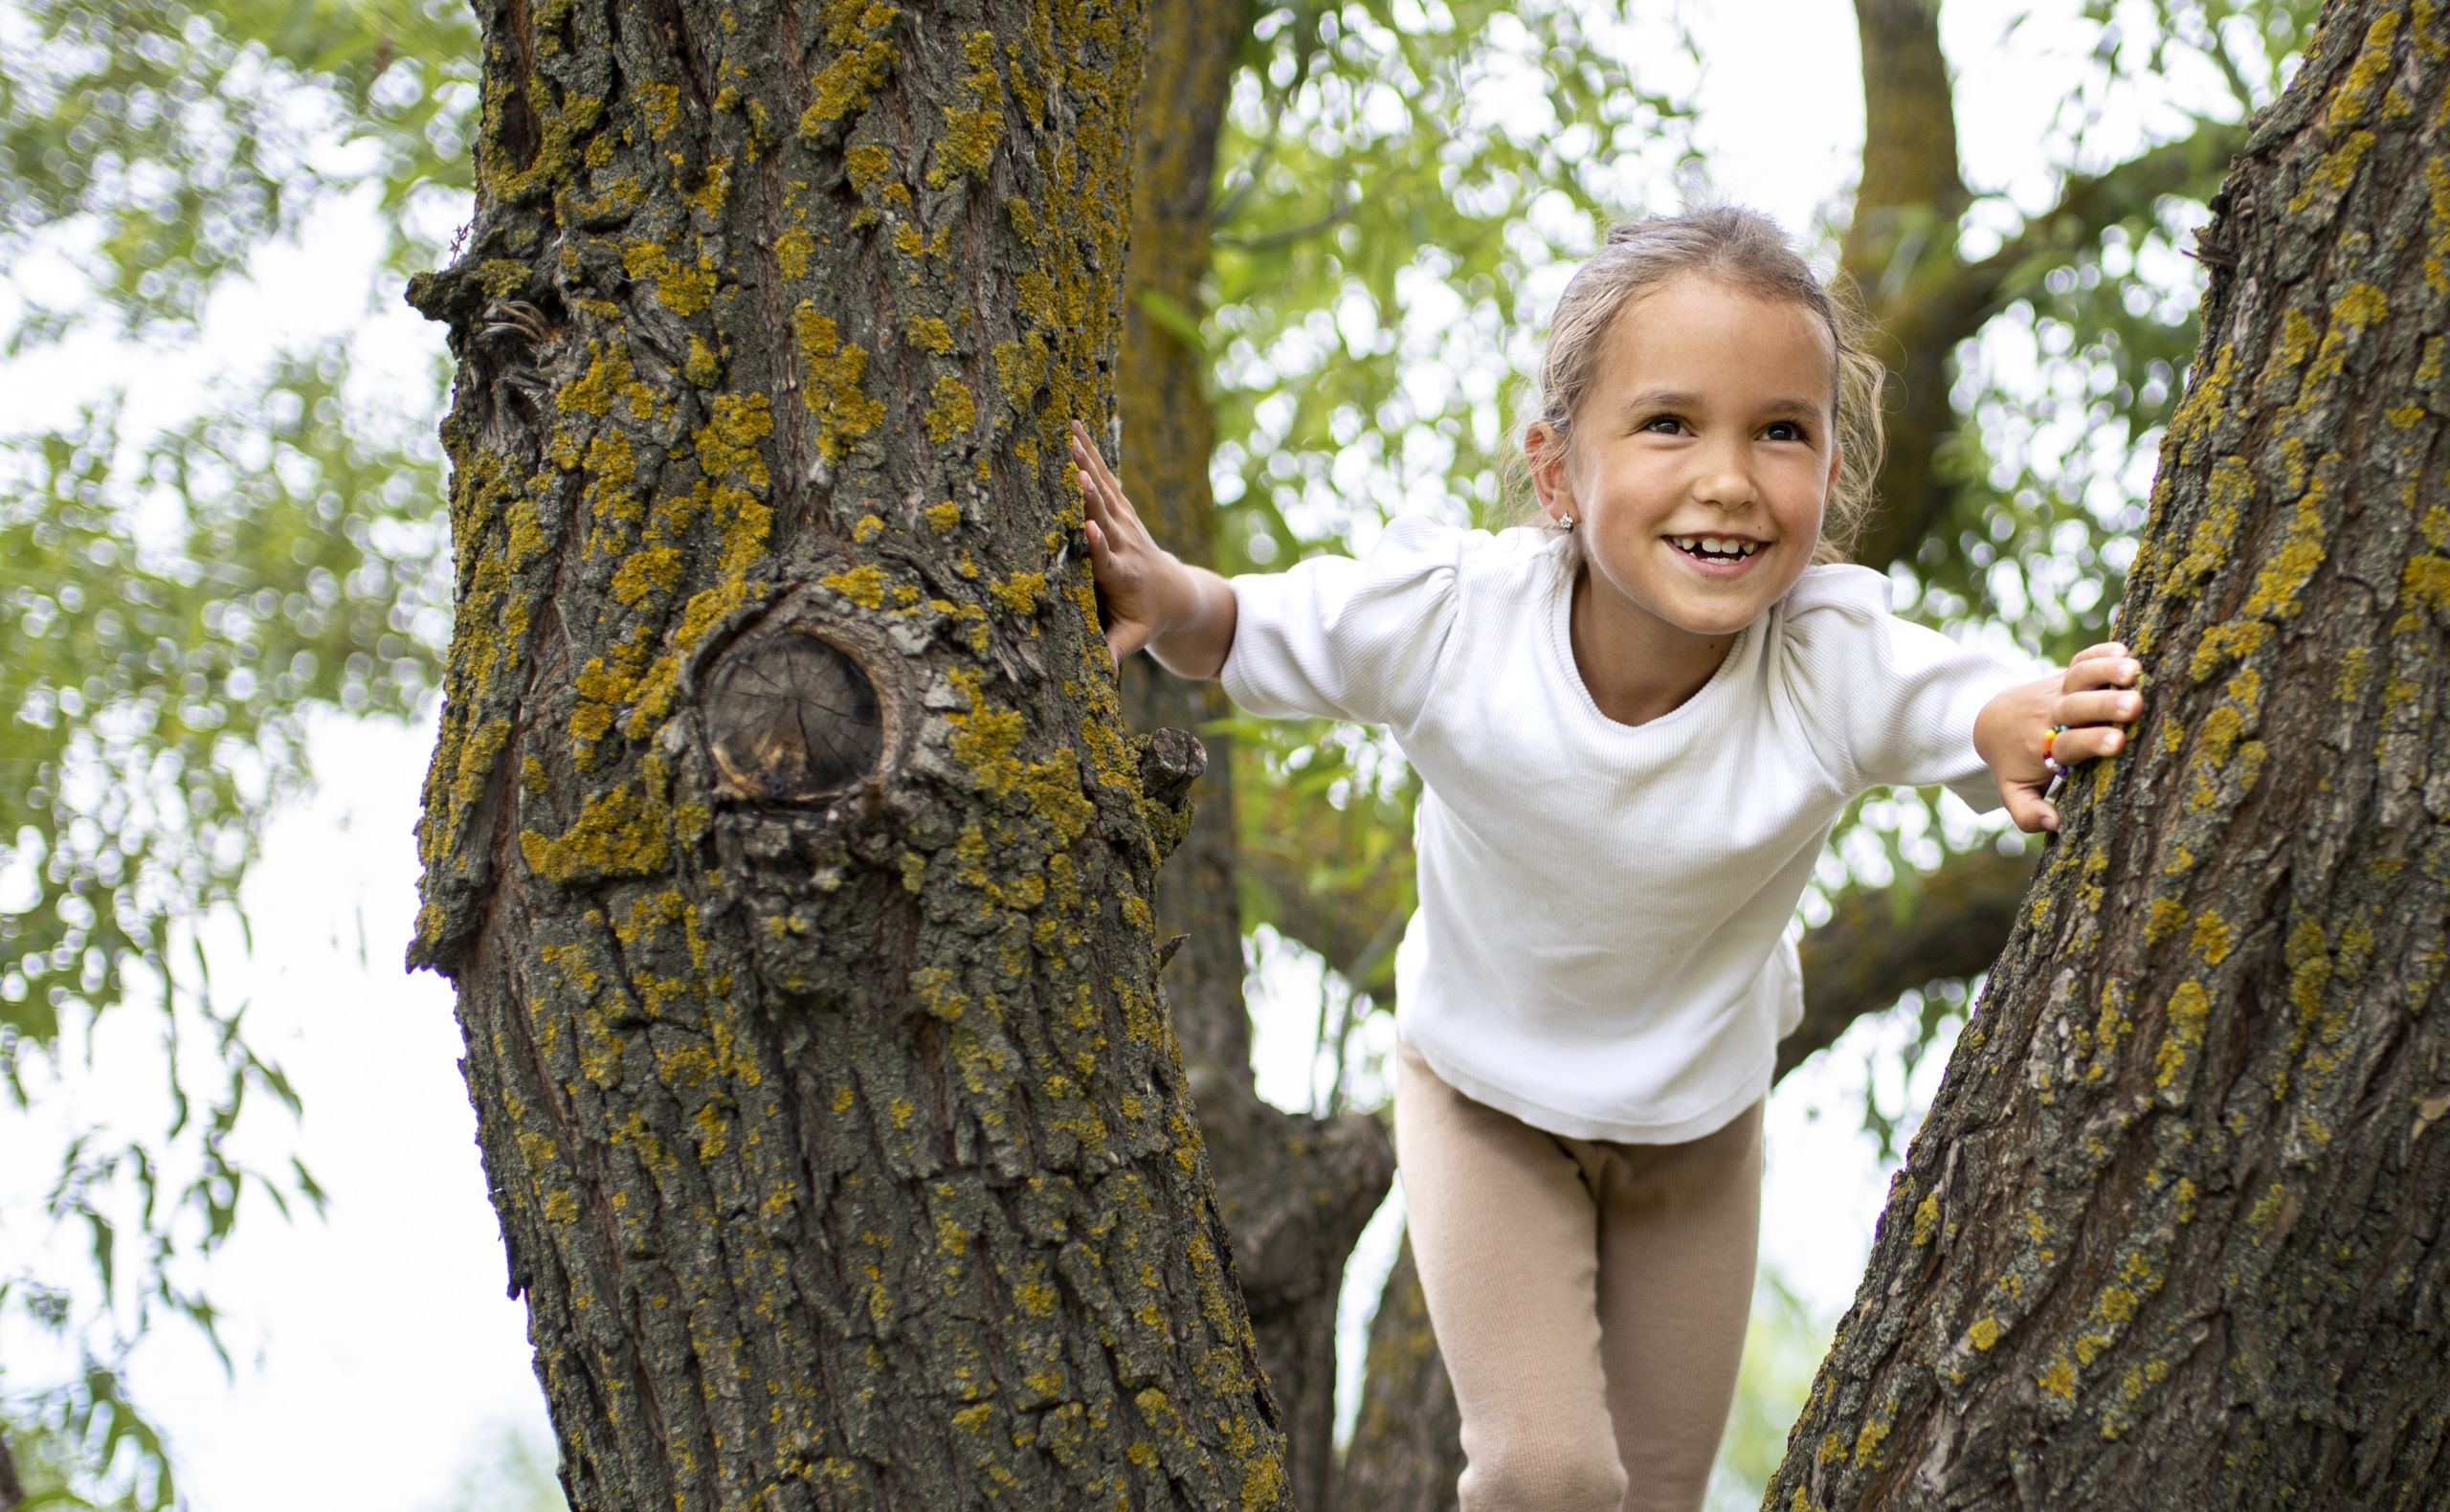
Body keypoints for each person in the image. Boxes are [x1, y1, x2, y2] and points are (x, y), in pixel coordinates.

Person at [1069, 206, 2143, 1512]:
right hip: (1484, 1099)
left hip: (1697, 1130)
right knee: (1549, 1474)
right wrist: (1166, 593)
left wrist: (2030, 719)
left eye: (1782, 431)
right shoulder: (1459, 622)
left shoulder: (1820, 657)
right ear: (1557, 470)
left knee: (1655, 1493)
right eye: (1670, 424)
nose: (1730, 479)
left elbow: (1957, 700)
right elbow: (1241, 629)